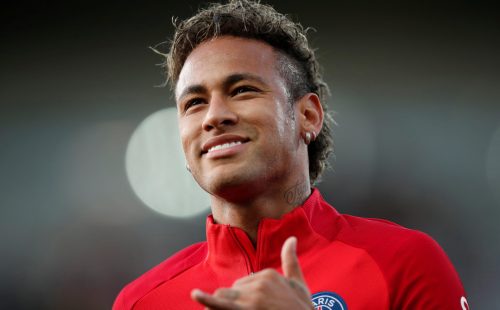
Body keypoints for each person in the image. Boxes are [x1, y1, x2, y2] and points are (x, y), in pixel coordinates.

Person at [113, 0, 468, 309]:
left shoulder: (403, 263)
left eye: (242, 90)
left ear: (308, 116)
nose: (214, 116)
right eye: (194, 103)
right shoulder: (140, 301)